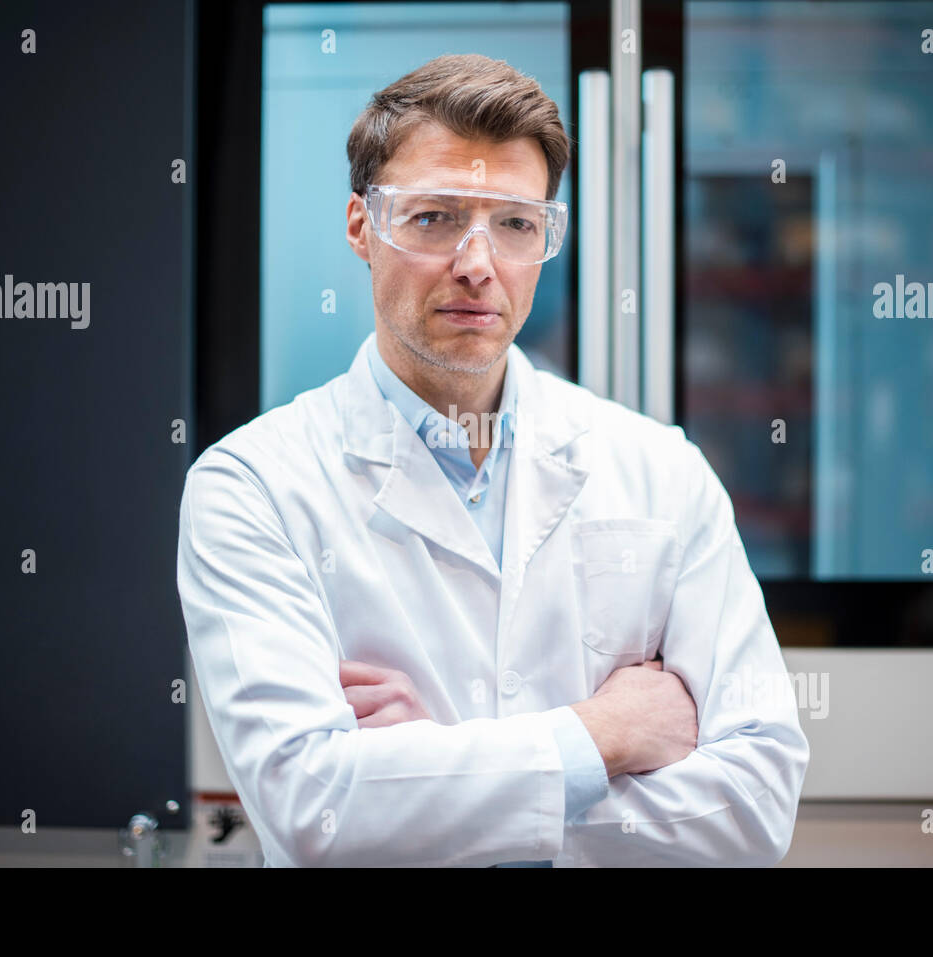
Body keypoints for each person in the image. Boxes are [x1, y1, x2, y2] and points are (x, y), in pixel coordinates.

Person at [177, 53, 808, 867]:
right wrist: (603, 734)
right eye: (435, 216)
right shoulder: (252, 487)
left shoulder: (661, 470)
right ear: (361, 227)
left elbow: (756, 805)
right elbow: (316, 810)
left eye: (514, 223)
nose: (479, 264)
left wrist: (435, 777)